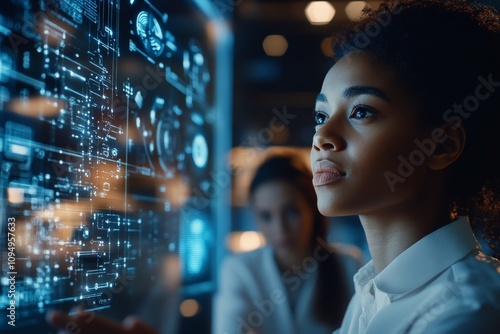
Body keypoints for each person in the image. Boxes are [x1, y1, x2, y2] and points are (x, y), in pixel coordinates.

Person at [310, 0, 500, 332]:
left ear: (442, 145)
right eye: (321, 116)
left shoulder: (467, 313)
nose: (323, 136)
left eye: (361, 111)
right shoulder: (368, 296)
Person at [212, 153, 362, 334]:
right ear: (255, 217)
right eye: (266, 216)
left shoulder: (349, 265)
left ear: (313, 208)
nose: (280, 229)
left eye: (291, 212)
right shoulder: (239, 271)